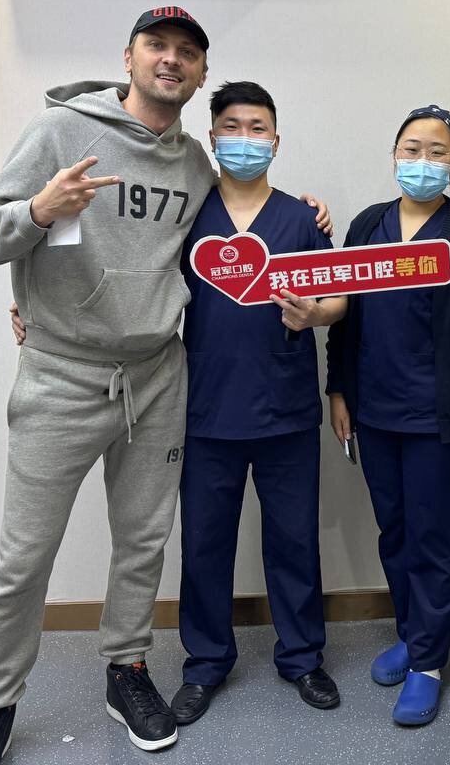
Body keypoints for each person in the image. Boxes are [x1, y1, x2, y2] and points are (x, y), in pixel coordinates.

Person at [0, 8, 331, 764]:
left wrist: (309, 211)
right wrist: (38, 212)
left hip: (158, 375)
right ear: (127, 57)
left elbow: (237, 232)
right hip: (63, 376)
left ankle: (125, 670)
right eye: (157, 46)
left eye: (187, 52)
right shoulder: (61, 132)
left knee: (143, 543)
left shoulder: (195, 166)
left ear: (200, 73)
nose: (171, 60)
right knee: (24, 556)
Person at [325, 104, 450, 726]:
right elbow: (344, 315)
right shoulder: (367, 224)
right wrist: (339, 390)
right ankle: (412, 633)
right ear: (394, 155)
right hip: (375, 408)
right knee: (395, 530)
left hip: (440, 413)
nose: (422, 161)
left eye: (436, 152)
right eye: (411, 149)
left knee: (433, 534)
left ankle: (428, 662)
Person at [170, 81, 346, 724]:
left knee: (294, 540)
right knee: (204, 544)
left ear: (276, 140)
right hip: (206, 410)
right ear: (212, 137)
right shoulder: (187, 216)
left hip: (285, 410)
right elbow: (135, 279)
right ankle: (205, 663)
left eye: (257, 128)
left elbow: (337, 298)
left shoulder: (302, 219)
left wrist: (313, 316)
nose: (245, 139)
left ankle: (302, 657)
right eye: (232, 127)